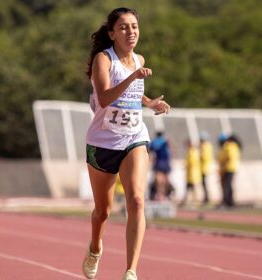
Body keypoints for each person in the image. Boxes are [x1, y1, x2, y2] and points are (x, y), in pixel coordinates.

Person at [83, 7, 170, 280]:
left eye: (134, 26)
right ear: (112, 33)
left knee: (136, 199)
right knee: (102, 211)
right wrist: (133, 77)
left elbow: (134, 92)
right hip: (102, 143)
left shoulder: (139, 58)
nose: (130, 32)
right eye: (123, 27)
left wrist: (149, 102)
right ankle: (95, 247)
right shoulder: (103, 60)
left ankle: (131, 271)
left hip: (134, 137)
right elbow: (106, 97)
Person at [148, 131, 172, 201]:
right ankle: (164, 195)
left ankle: (159, 195)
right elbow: (171, 150)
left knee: (158, 180)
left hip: (159, 162)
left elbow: (150, 150)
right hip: (166, 162)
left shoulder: (155, 141)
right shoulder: (165, 141)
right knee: (165, 180)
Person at [219, 134, 241, 207]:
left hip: (228, 168)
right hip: (232, 167)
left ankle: (227, 201)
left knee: (227, 185)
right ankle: (229, 201)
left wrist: (222, 161)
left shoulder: (230, 146)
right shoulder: (236, 147)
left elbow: (227, 157)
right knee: (229, 185)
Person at [180, 140, 201, 207]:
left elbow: (192, 162)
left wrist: (186, 165)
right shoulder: (192, 151)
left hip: (192, 174)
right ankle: (188, 201)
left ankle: (195, 202)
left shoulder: (192, 152)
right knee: (189, 188)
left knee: (193, 188)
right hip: (191, 174)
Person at [199, 131, 214, 204]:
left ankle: (207, 198)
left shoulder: (205, 146)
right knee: (204, 184)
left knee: (205, 184)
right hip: (204, 167)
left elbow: (204, 157)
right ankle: (206, 198)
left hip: (205, 168)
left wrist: (200, 153)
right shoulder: (207, 146)